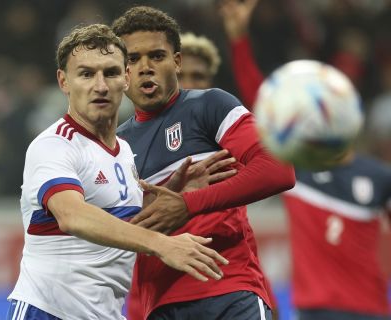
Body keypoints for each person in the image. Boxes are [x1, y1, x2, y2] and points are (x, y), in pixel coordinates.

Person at [6, 23, 231, 320]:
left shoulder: (123, 151)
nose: (100, 85)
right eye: (86, 74)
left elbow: (120, 220)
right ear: (64, 81)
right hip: (49, 311)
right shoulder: (53, 145)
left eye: (110, 73)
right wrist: (162, 245)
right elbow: (73, 216)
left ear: (125, 78)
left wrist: (176, 193)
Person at [111, 6, 295, 320]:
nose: (145, 67)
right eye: (132, 59)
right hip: (160, 305)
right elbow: (110, 236)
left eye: (156, 56)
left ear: (176, 62)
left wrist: (189, 203)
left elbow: (279, 170)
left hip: (230, 292)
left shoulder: (210, 105)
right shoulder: (115, 147)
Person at [219, 0, 391, 319]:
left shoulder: (380, 177)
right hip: (314, 309)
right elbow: (263, 105)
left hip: (371, 308)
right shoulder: (298, 169)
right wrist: (239, 37)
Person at [177, 30, 281, 320]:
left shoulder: (229, 135)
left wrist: (239, 38)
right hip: (163, 293)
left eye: (198, 77)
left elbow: (267, 114)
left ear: (211, 84)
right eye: (181, 76)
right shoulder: (137, 142)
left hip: (228, 285)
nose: (188, 85)